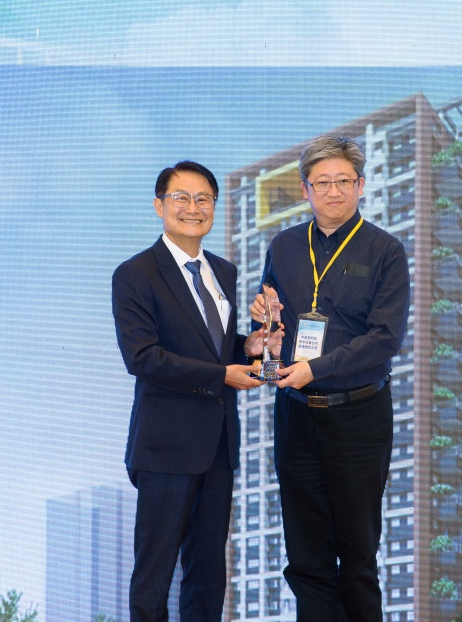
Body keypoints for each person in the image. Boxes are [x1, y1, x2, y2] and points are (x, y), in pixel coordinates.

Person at [250, 135, 411, 621]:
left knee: (357, 558)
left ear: (361, 185)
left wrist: (315, 368)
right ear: (305, 190)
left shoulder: (385, 250)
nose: (333, 191)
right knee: (305, 559)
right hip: (295, 416)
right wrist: (265, 334)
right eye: (322, 182)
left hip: (359, 414)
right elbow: (273, 328)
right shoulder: (283, 246)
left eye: (343, 181)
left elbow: (385, 338)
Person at [112, 160, 279, 622]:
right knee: (154, 578)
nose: (193, 207)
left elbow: (214, 346)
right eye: (181, 198)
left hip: (218, 444)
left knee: (208, 576)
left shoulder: (223, 270)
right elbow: (143, 357)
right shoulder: (136, 273)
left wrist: (251, 347)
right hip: (166, 446)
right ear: (159, 206)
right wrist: (221, 374)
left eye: (203, 199)